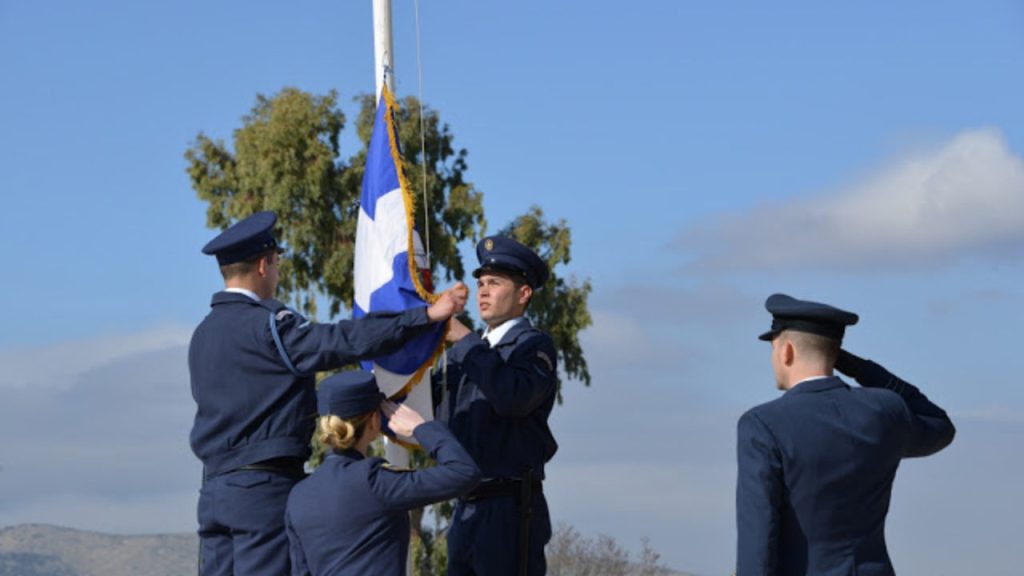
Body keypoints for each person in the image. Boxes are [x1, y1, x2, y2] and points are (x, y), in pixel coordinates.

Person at [189, 211, 467, 576]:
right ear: (263, 264)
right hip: (262, 488)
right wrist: (424, 316)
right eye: (276, 264)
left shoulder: (202, 334)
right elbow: (341, 341)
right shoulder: (268, 326)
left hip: (213, 492)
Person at [735, 293, 956, 576]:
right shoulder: (884, 411)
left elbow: (759, 536)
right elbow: (938, 423)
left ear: (786, 350)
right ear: (836, 352)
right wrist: (859, 367)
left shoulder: (762, 424)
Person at [437, 235, 559, 576]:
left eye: (495, 283)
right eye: (480, 283)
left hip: (509, 506)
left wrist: (465, 342)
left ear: (523, 294)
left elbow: (512, 397)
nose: (483, 292)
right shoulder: (465, 354)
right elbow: (438, 415)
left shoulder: (532, 346)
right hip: (466, 506)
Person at [284, 371, 481, 576]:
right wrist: (421, 428)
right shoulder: (374, 481)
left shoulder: (298, 495)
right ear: (373, 420)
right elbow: (464, 471)